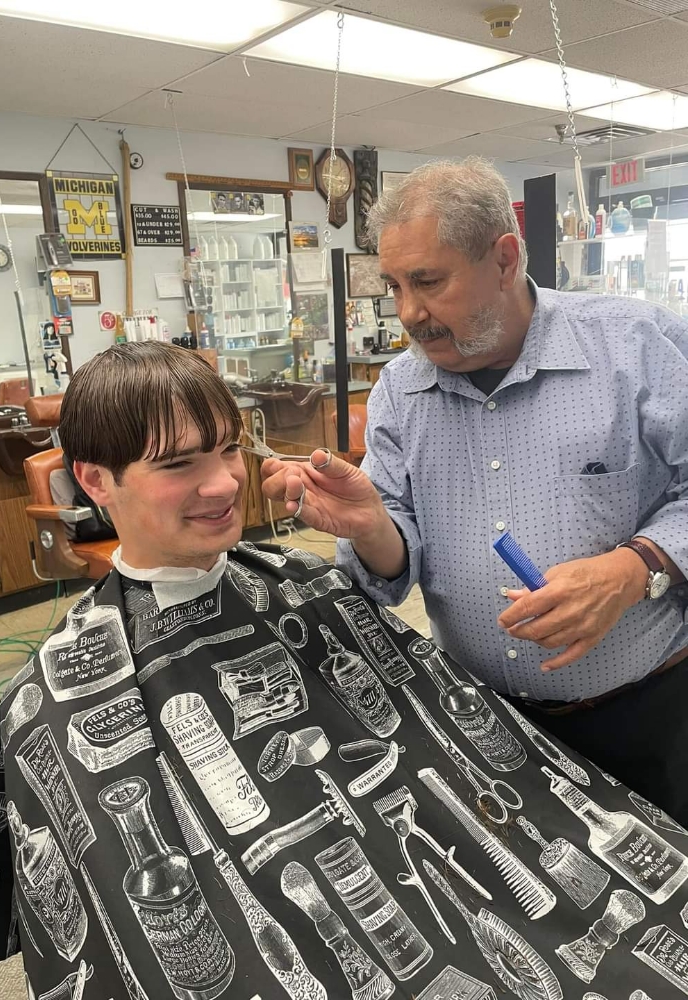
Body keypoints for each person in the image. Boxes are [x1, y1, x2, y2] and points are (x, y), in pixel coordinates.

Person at [0, 342, 688, 1000]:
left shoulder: (303, 584)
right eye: (180, 465)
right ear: (96, 480)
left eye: (225, 451)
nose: (221, 486)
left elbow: (435, 735)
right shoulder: (51, 699)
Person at [262, 156, 688, 824]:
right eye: (395, 286)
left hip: (649, 720)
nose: (409, 313)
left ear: (505, 258)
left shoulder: (636, 348)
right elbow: (395, 563)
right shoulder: (402, 392)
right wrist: (373, 526)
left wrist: (633, 569)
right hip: (487, 722)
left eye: (428, 281)